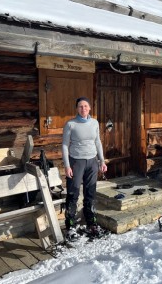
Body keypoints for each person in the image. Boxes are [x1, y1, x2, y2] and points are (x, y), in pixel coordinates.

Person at [62, 96, 108, 241]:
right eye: (80, 106)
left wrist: (102, 160)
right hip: (76, 162)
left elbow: (98, 142)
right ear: (77, 108)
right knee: (73, 193)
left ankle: (91, 224)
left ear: (89, 108)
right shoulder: (71, 124)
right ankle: (70, 226)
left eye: (86, 106)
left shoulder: (94, 123)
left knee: (90, 193)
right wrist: (67, 165)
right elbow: (64, 145)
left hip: (92, 162)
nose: (83, 109)